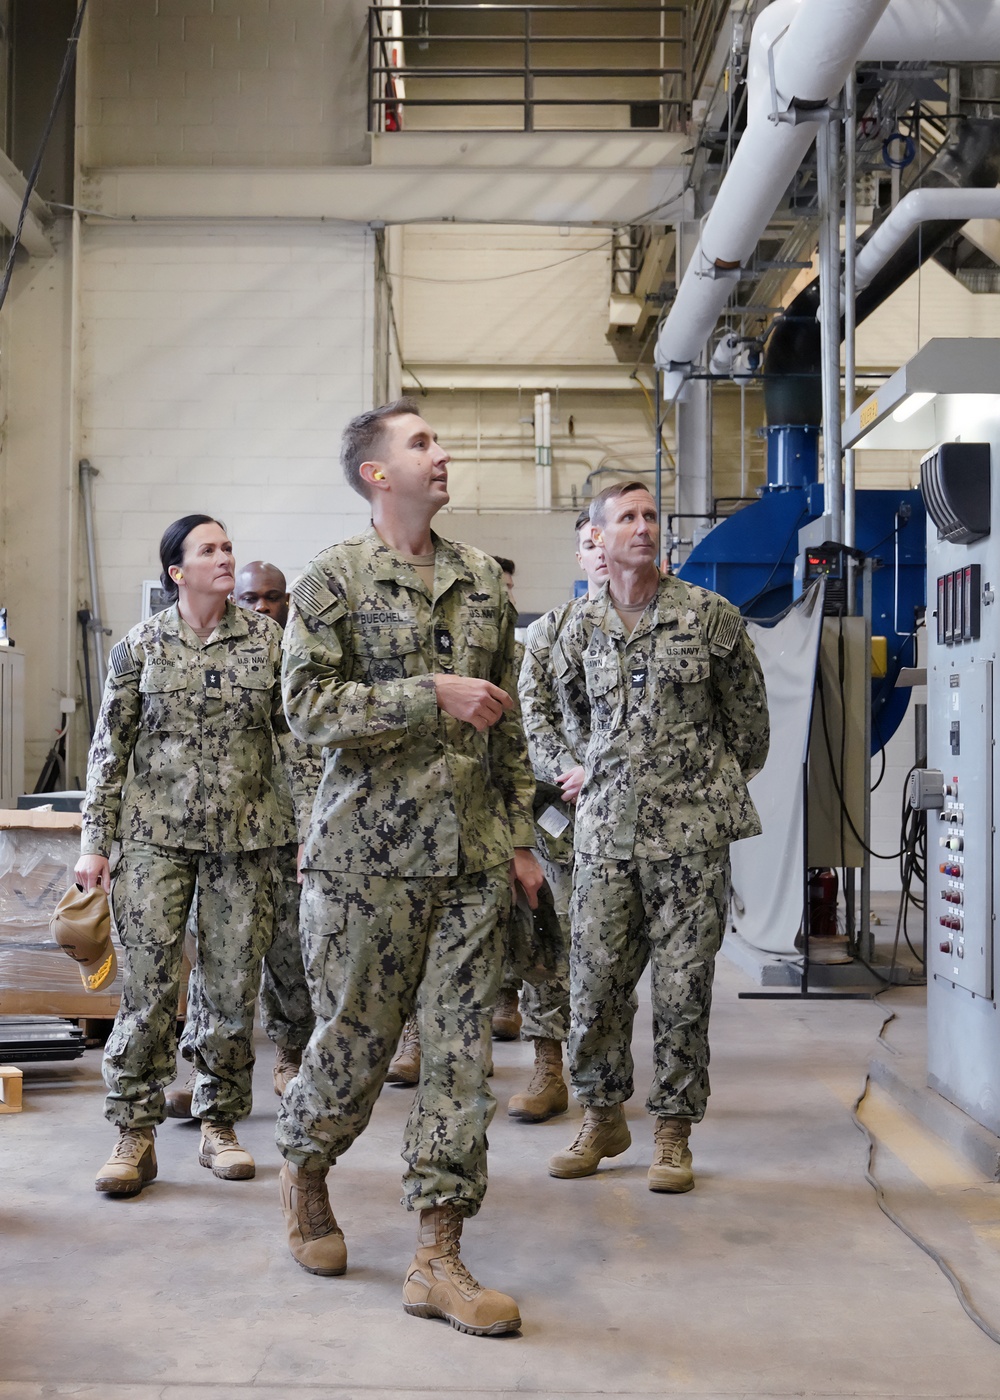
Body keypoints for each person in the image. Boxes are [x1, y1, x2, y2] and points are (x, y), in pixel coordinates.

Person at [275, 398, 542, 1337]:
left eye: (438, 441)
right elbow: (306, 706)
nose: (443, 453)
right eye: (421, 443)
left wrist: (517, 838)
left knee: (461, 1058)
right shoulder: (332, 580)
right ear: (375, 474)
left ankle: (439, 1254)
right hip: (365, 867)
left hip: (467, 860)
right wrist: (427, 693)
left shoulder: (480, 580)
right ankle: (306, 1171)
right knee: (352, 1048)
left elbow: (507, 727)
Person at [521, 481, 769, 1192]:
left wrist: (699, 785)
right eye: (626, 517)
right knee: (594, 986)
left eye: (650, 515)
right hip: (601, 841)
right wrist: (567, 767)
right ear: (596, 537)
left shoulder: (708, 617)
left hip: (690, 842)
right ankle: (603, 1116)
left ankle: (672, 1130)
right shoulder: (573, 627)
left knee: (684, 988)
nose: (642, 527)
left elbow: (750, 726)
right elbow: (544, 713)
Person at [76, 516, 310, 1197]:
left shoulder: (269, 642)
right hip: (153, 841)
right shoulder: (141, 646)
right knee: (148, 990)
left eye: (227, 547)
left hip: (247, 842)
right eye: (209, 550)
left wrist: (305, 836)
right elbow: (107, 750)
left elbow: (294, 746)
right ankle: (134, 1133)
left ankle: (219, 1122)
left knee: (231, 990)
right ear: (177, 571)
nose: (224, 558)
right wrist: (94, 844)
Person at [163, 560, 316, 1117]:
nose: (263, 607)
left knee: (289, 955)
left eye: (273, 597)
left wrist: (308, 831)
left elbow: (304, 748)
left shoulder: (289, 654)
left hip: (286, 832)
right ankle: (207, 1071)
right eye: (252, 598)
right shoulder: (214, 653)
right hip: (231, 837)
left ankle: (291, 1053)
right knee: (218, 958)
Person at [510, 510, 608, 1123]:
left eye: (609, 538)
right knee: (549, 939)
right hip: (561, 813)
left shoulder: (677, 623)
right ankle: (549, 1068)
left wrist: (602, 770)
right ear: (579, 557)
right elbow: (530, 715)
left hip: (638, 818)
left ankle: (604, 1078)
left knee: (612, 956)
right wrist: (569, 771)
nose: (600, 551)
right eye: (588, 544)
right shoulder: (548, 633)